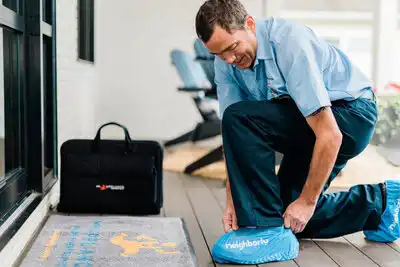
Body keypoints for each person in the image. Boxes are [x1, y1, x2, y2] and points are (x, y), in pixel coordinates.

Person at [195, 0, 400, 264]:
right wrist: (234, 198)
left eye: (232, 48)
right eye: (220, 54)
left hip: (350, 115)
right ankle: (382, 202)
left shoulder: (289, 43)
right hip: (304, 120)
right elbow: (232, 133)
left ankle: (265, 230)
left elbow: (330, 134)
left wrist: (307, 202)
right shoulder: (226, 63)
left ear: (249, 24)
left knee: (289, 208)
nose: (229, 60)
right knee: (286, 217)